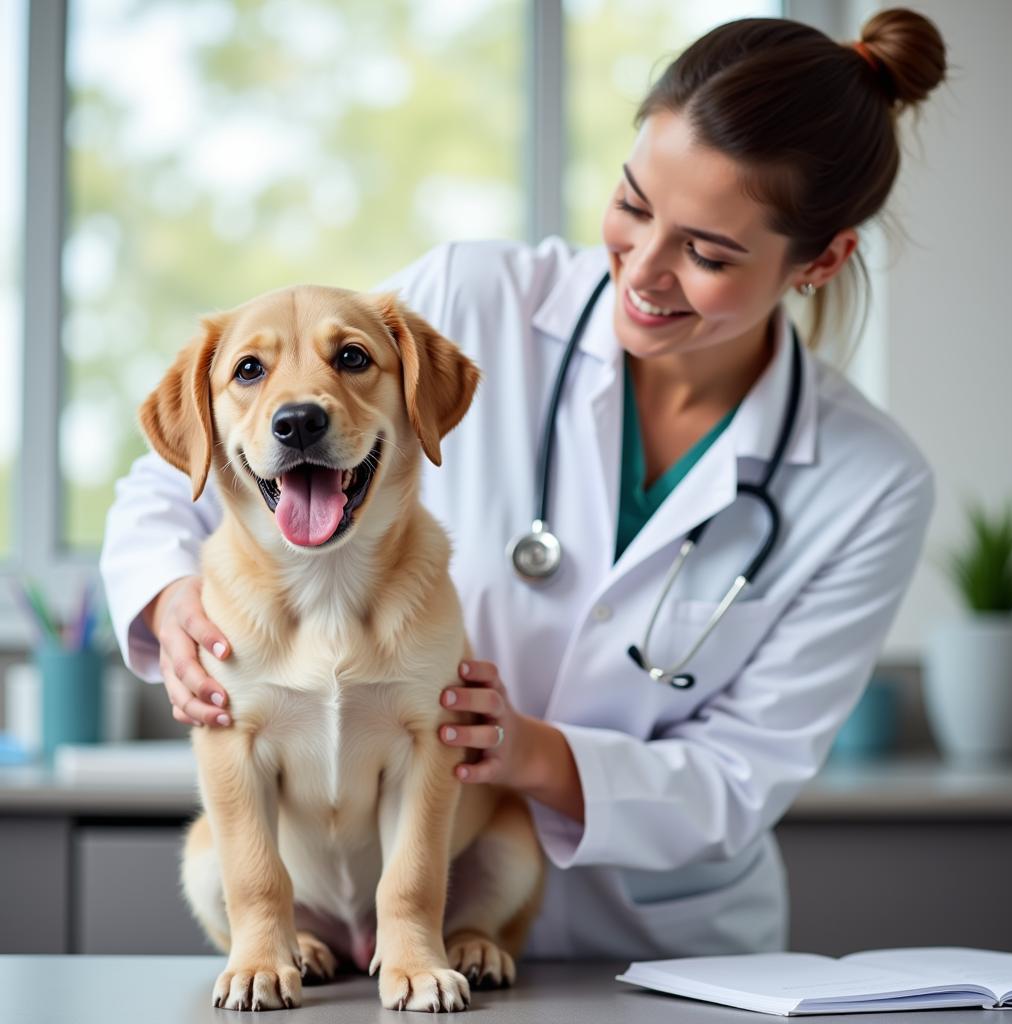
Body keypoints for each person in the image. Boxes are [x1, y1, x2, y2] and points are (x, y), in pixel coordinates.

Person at [100, 10, 946, 960]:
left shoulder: (868, 483)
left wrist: (528, 751)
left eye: (707, 253)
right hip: (372, 936)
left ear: (821, 261)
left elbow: (742, 779)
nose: (644, 270)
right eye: (632, 205)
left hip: (657, 946)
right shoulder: (473, 299)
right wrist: (173, 601)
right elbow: (192, 467)